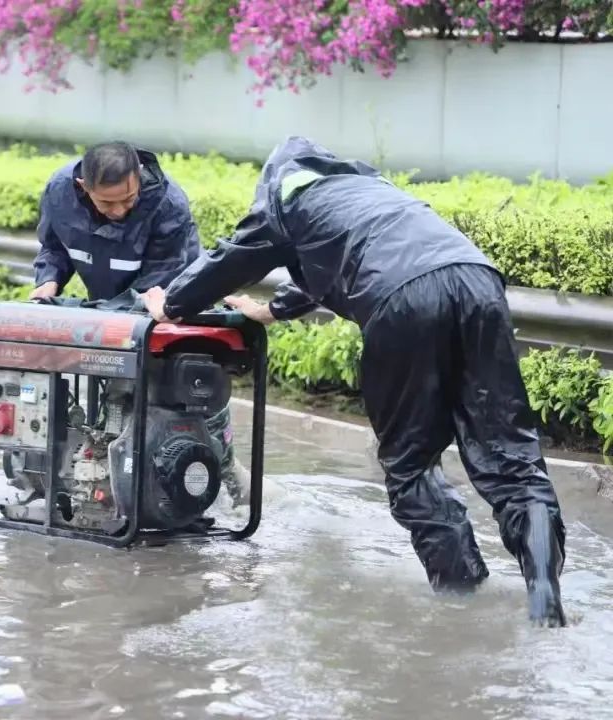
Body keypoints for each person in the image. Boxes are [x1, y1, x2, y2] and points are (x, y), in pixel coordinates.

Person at [141, 135, 568, 627]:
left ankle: (462, 598)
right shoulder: (365, 188)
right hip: (477, 280)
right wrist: (269, 311)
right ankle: (544, 598)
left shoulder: (284, 199)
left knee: (410, 465)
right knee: (511, 456)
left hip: (402, 299)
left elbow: (230, 259)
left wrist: (170, 304)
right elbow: (325, 266)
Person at [29, 141, 203, 301]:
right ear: (84, 186)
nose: (118, 211)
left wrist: (115, 310)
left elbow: (163, 272)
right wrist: (49, 280)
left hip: (169, 299)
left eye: (129, 198)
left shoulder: (168, 205)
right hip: (106, 298)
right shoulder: (60, 192)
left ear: (139, 174)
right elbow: (54, 247)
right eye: (106, 202)